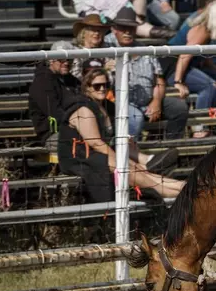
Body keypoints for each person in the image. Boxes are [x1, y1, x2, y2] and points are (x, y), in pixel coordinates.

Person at [58, 69, 183, 203]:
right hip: (80, 158)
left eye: (105, 85)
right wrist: (121, 161)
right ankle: (174, 193)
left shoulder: (107, 106)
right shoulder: (83, 109)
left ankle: (182, 187)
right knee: (127, 168)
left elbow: (112, 138)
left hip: (98, 154)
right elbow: (96, 144)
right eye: (97, 86)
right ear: (87, 87)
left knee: (137, 169)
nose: (102, 89)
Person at [105, 6, 189, 139]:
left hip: (147, 101)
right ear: (114, 29)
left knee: (179, 107)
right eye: (122, 27)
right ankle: (129, 155)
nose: (127, 31)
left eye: (131, 27)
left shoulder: (144, 49)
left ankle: (170, 147)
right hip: (117, 104)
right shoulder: (105, 46)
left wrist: (156, 101)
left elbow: (159, 80)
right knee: (135, 117)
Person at [28, 41, 82, 151]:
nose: (66, 63)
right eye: (61, 59)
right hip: (52, 134)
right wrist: (80, 125)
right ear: (51, 60)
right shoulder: (42, 82)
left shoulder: (71, 80)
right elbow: (55, 112)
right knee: (85, 142)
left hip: (76, 129)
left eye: (69, 59)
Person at [69, 15, 115, 81]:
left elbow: (113, 80)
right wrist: (103, 70)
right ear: (83, 33)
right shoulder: (75, 52)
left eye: (99, 30)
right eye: (93, 30)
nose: (96, 33)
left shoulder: (106, 52)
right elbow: (76, 80)